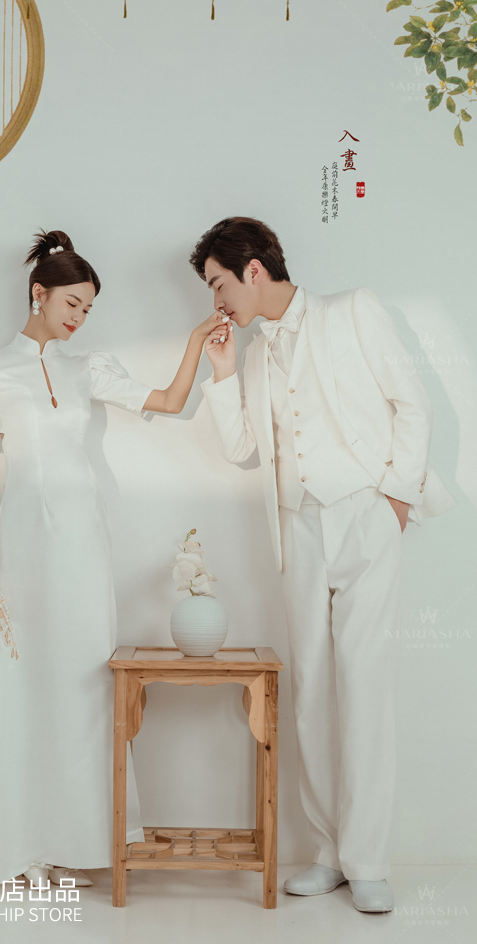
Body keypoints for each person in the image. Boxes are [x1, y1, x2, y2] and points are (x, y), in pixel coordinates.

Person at [0, 229, 229, 894]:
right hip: (22, 542)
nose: (80, 318)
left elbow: (168, 401)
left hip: (83, 543)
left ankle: (80, 839)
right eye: (72, 303)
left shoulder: (87, 368)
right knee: (23, 681)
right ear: (38, 293)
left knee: (84, 681)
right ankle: (20, 839)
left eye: (89, 309)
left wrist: (195, 343)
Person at [190, 216, 456, 913]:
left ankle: (368, 859)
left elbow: (412, 403)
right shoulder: (253, 356)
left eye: (218, 284)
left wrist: (395, 499)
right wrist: (222, 371)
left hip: (366, 513)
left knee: (363, 684)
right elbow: (244, 450)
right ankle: (329, 853)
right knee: (310, 690)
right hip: (298, 526)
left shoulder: (352, 310)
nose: (217, 301)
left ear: (252, 270)